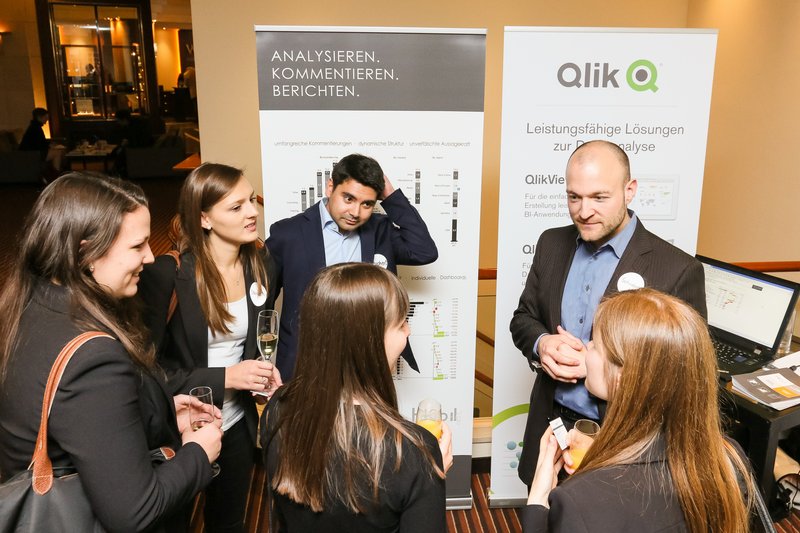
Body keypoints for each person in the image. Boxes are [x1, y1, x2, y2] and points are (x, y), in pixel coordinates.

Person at [0, 173, 222, 532]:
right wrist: (199, 452)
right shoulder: (93, 357)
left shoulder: (31, 305)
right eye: (137, 246)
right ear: (86, 251)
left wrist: (161, 412)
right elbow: (136, 511)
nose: (150, 257)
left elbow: (84, 422)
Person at [510, 140, 707, 487]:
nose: (583, 211)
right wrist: (543, 344)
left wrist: (600, 366)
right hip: (550, 425)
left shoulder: (676, 270)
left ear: (630, 190)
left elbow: (684, 380)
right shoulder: (551, 244)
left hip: (623, 442)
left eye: (599, 197)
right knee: (541, 509)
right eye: (574, 197)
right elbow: (523, 318)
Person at [523, 288, 754, 532]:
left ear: (624, 378)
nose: (586, 347)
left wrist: (538, 499)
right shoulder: (729, 459)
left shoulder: (577, 502)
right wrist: (605, 456)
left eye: (596, 345)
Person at [138, 162, 280, 533]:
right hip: (178, 431)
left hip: (236, 425)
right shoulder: (166, 275)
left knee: (228, 522)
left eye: (251, 200)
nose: (252, 212)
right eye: (236, 207)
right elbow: (144, 375)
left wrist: (259, 376)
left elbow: (251, 346)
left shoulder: (261, 265)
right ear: (204, 218)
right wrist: (227, 377)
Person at [261, 263, 452, 532]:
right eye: (401, 324)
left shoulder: (277, 409)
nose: (408, 331)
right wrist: (431, 469)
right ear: (369, 342)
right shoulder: (414, 452)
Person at [266, 153, 438, 380]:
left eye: (367, 204)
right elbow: (265, 302)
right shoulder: (288, 234)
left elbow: (424, 251)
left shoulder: (379, 230)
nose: (355, 213)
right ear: (330, 187)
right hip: (304, 361)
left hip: (365, 362)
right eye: (348, 199)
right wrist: (261, 361)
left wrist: (391, 196)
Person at [19, 107, 63, 179]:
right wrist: (50, 146)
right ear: (39, 117)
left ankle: (55, 173)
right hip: (33, 154)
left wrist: (50, 145)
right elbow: (39, 144)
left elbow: (40, 142)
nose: (47, 120)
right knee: (57, 153)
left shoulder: (34, 127)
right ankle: (56, 174)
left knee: (56, 151)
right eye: (46, 118)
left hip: (34, 151)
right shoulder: (35, 128)